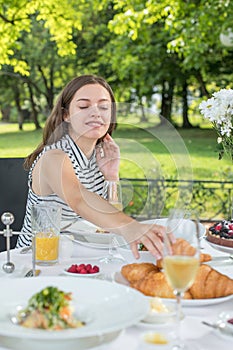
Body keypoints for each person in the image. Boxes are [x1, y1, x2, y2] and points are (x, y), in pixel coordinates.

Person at [16, 74, 171, 259]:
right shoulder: (54, 157)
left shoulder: (97, 157)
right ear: (66, 114)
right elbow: (79, 199)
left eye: (104, 107)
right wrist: (132, 227)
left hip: (81, 257)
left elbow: (109, 224)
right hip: (36, 261)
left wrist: (111, 177)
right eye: (83, 106)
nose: (96, 113)